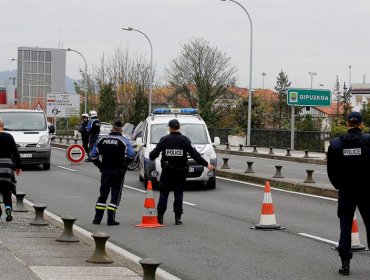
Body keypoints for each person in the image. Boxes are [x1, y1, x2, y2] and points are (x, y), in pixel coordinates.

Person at [327, 111, 370, 275]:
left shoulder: (336, 144)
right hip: (367, 191)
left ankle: (345, 265)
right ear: (361, 124)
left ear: (347, 124)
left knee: (345, 226)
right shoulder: (368, 142)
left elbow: (331, 171)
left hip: (346, 191)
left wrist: (340, 185)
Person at [149, 119, 215, 225]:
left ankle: (160, 217)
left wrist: (152, 155)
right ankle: (178, 217)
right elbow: (195, 155)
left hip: (167, 172)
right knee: (178, 193)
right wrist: (207, 165)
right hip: (181, 171)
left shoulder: (164, 139)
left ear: (169, 128)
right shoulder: (185, 140)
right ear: (179, 127)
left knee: (164, 193)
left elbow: (154, 154)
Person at [90, 120, 135, 225]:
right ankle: (111, 219)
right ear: (121, 130)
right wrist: (124, 165)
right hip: (118, 171)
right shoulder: (124, 141)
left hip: (105, 171)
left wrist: (100, 166)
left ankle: (97, 219)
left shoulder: (102, 140)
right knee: (115, 195)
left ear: (112, 129)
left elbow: (93, 156)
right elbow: (132, 155)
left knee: (103, 195)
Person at [0, 118, 22, 222]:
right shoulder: (8, 136)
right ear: (2, 126)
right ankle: (8, 209)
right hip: (6, 166)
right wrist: (18, 166)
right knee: (6, 190)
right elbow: (15, 152)